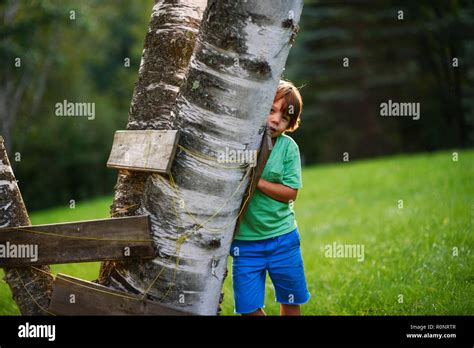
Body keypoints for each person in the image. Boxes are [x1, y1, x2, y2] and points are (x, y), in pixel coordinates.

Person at [230, 79, 310, 316]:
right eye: (271, 111)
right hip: (244, 243)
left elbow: (290, 193)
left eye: (284, 117)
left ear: (290, 124)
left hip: (282, 239)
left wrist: (256, 182)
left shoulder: (288, 148)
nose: (276, 120)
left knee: (290, 299)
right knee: (248, 307)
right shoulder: (241, 144)